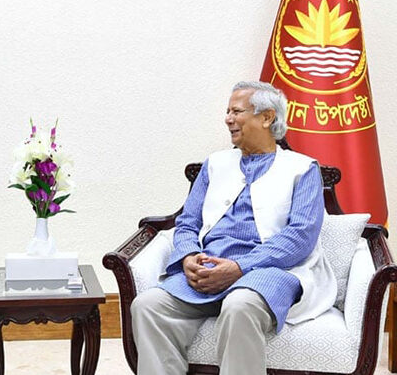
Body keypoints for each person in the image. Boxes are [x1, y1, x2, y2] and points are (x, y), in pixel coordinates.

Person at [131, 81, 336, 375]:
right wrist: (188, 257)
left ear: (267, 117)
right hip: (209, 268)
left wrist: (240, 267)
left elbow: (299, 237)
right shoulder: (214, 164)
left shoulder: (303, 169)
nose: (228, 119)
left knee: (240, 305)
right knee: (148, 306)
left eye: (236, 111)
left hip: (270, 272)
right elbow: (187, 222)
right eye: (227, 112)